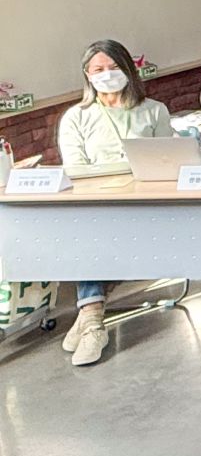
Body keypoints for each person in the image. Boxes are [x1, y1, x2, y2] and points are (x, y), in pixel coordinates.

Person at [56, 39, 174, 366]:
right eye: (99, 70)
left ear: (129, 70)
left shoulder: (153, 110)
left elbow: (167, 162)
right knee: (90, 234)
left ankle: (90, 317)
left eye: (114, 67)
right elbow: (75, 169)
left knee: (102, 238)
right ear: (87, 75)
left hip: (145, 204)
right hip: (94, 204)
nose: (107, 75)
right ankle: (93, 320)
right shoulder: (76, 117)